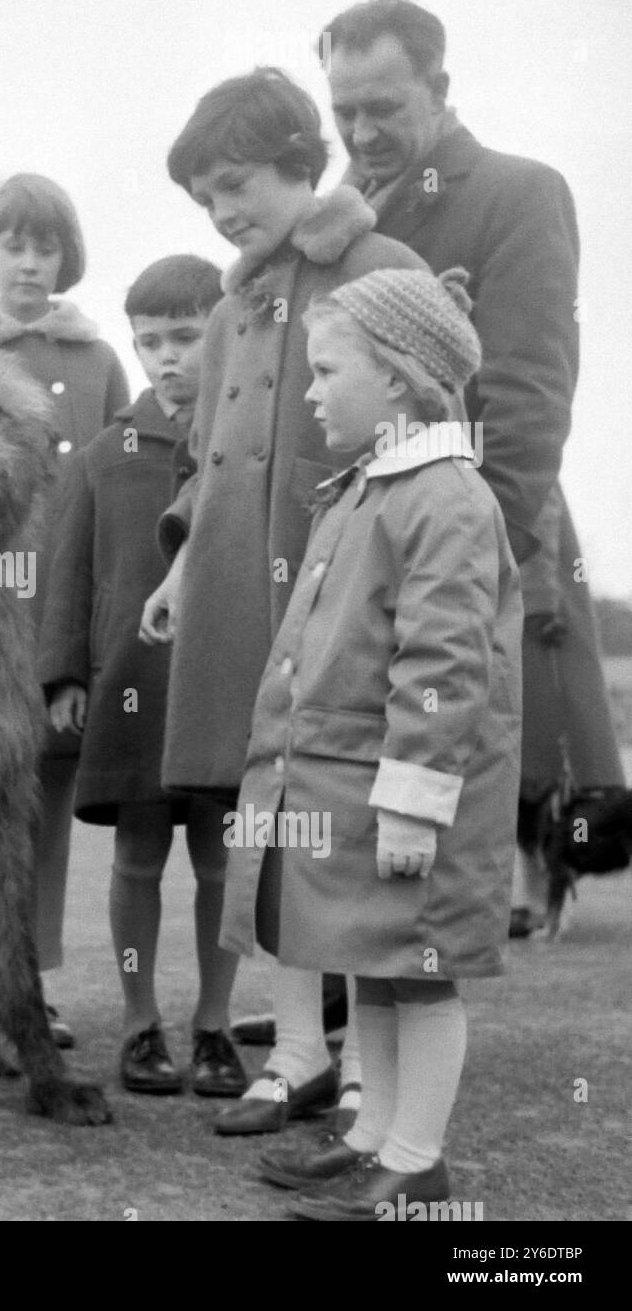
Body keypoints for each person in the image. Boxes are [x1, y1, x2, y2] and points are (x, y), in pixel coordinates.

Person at [138, 68, 425, 1136]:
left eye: (235, 182)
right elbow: (203, 461)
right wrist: (178, 569)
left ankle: (361, 1065)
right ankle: (297, 1050)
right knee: (266, 821)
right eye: (202, 197)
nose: (221, 211)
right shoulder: (230, 303)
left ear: (302, 158)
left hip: (347, 594)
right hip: (236, 600)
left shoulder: (382, 266)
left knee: (345, 827)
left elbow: (429, 428)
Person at [319, 0, 625, 936]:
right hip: (357, 530)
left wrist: (481, 541)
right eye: (343, 113)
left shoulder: (518, 191)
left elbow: (532, 393)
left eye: (383, 108)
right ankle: (346, 982)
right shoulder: (339, 216)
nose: (362, 134)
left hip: (475, 519)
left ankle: (494, 916)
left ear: (441, 89)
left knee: (503, 727)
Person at [235, 268, 520, 1219]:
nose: (309, 393)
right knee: (376, 964)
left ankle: (417, 1160)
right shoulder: (369, 488)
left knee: (421, 974)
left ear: (397, 379)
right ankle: (372, 1139)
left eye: (325, 372)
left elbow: (440, 662)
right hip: (350, 786)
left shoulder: (443, 495)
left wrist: (411, 799)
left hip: (406, 797)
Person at [0, 172, 129, 1050]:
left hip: (60, 612)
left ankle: (27, 984)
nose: (30, 264)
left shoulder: (96, 359)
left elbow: (118, 489)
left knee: (39, 805)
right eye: (14, 245)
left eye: (46, 247)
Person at [40, 254, 248, 1097]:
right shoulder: (101, 453)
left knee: (220, 861)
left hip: (223, 684)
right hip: (130, 680)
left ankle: (215, 1026)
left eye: (188, 337)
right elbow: (67, 572)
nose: (169, 358)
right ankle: (137, 1024)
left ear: (224, 333)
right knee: (136, 856)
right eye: (151, 341)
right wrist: (63, 676)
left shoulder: (245, 441)